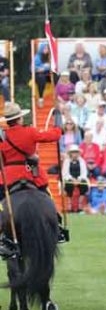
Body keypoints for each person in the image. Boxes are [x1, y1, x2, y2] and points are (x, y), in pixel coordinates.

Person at [0, 103, 67, 257]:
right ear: (19, 119)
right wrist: (58, 123)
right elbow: (53, 136)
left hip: (8, 177)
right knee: (46, 195)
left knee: (2, 204)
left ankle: (3, 238)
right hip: (31, 174)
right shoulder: (29, 131)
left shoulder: (3, 136)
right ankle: (57, 225)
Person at [62, 144, 89, 213]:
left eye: (76, 152)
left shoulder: (82, 161)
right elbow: (65, 173)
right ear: (70, 153)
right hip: (70, 179)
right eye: (73, 152)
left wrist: (79, 179)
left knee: (84, 184)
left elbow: (84, 172)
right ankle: (69, 206)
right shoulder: (67, 161)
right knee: (68, 185)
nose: (75, 154)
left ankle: (80, 206)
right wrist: (72, 179)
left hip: (79, 179)